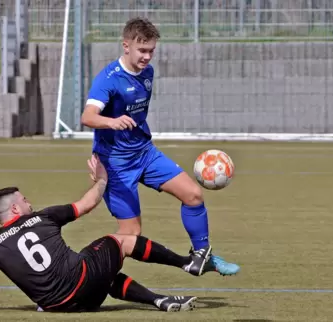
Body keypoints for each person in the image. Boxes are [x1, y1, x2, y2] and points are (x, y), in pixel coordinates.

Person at [0, 155, 202, 313]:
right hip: (82, 284)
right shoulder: (41, 217)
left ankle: (159, 301)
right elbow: (86, 204)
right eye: (24, 199)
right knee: (120, 241)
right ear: (14, 208)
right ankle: (187, 262)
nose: (29, 202)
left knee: (105, 271)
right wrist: (101, 180)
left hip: (59, 307)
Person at [80, 17, 240, 276]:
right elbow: (87, 117)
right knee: (131, 235)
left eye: (151, 51)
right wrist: (111, 121)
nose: (147, 57)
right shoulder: (108, 79)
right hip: (115, 164)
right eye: (142, 50)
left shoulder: (148, 73)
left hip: (144, 153)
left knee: (193, 195)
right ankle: (82, 273)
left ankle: (202, 256)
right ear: (126, 46)